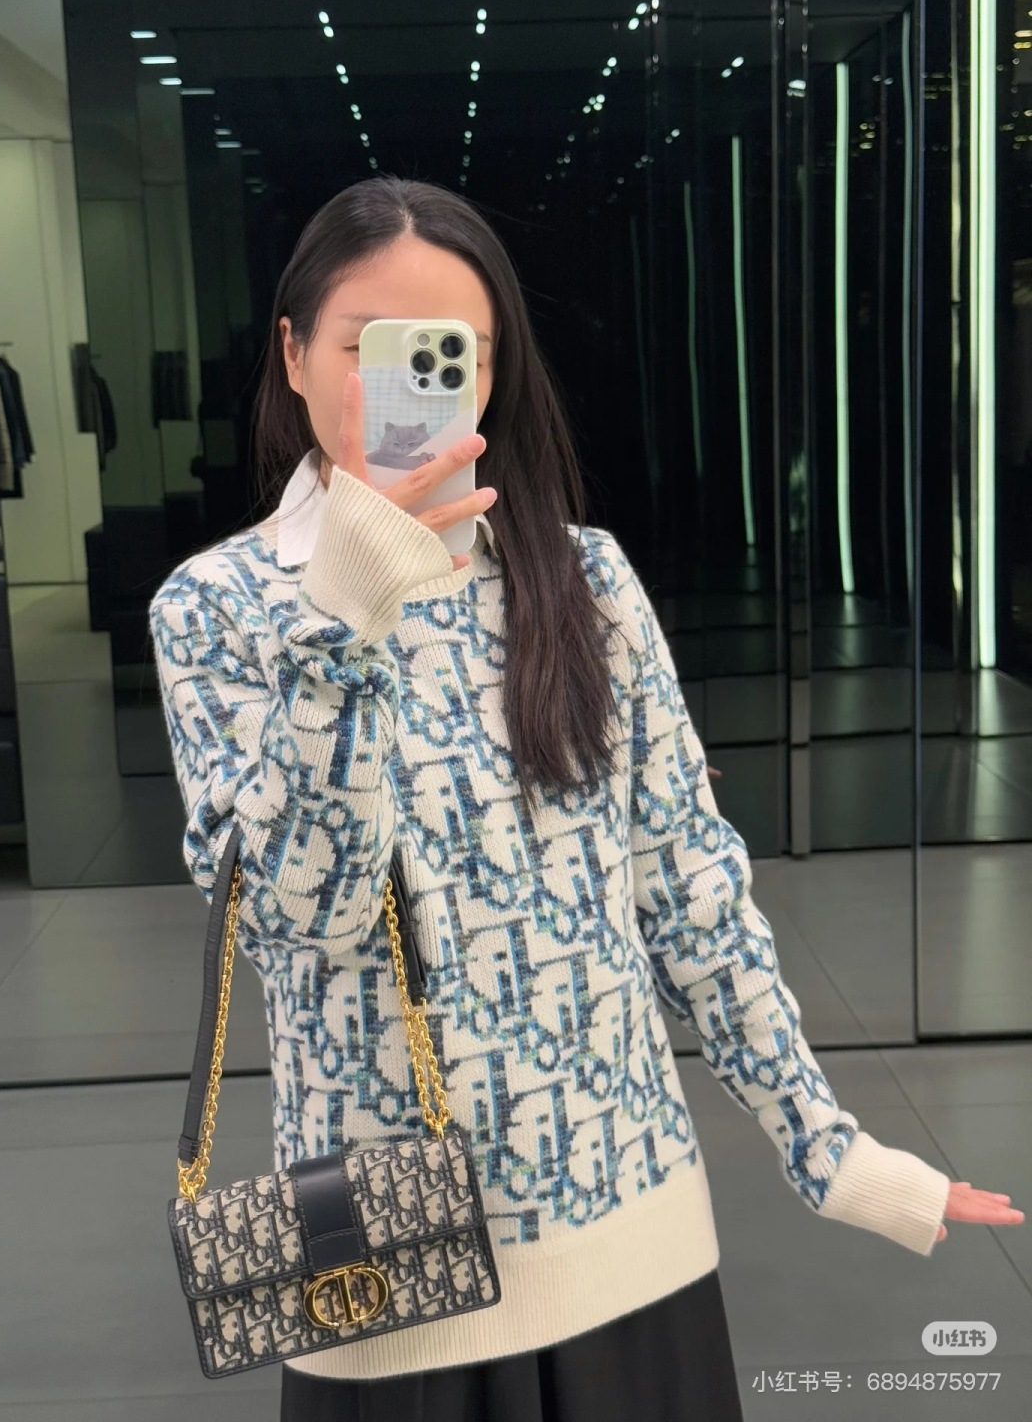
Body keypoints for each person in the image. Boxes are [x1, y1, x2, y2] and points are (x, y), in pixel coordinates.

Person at [147, 176, 1024, 1422]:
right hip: (384, 1278)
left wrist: (829, 1150)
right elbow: (304, 916)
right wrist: (342, 618)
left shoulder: (585, 584)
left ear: (491, 372)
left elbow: (688, 889)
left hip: (631, 1246)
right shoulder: (218, 610)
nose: (410, 384)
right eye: (368, 347)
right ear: (293, 357)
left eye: (453, 352)